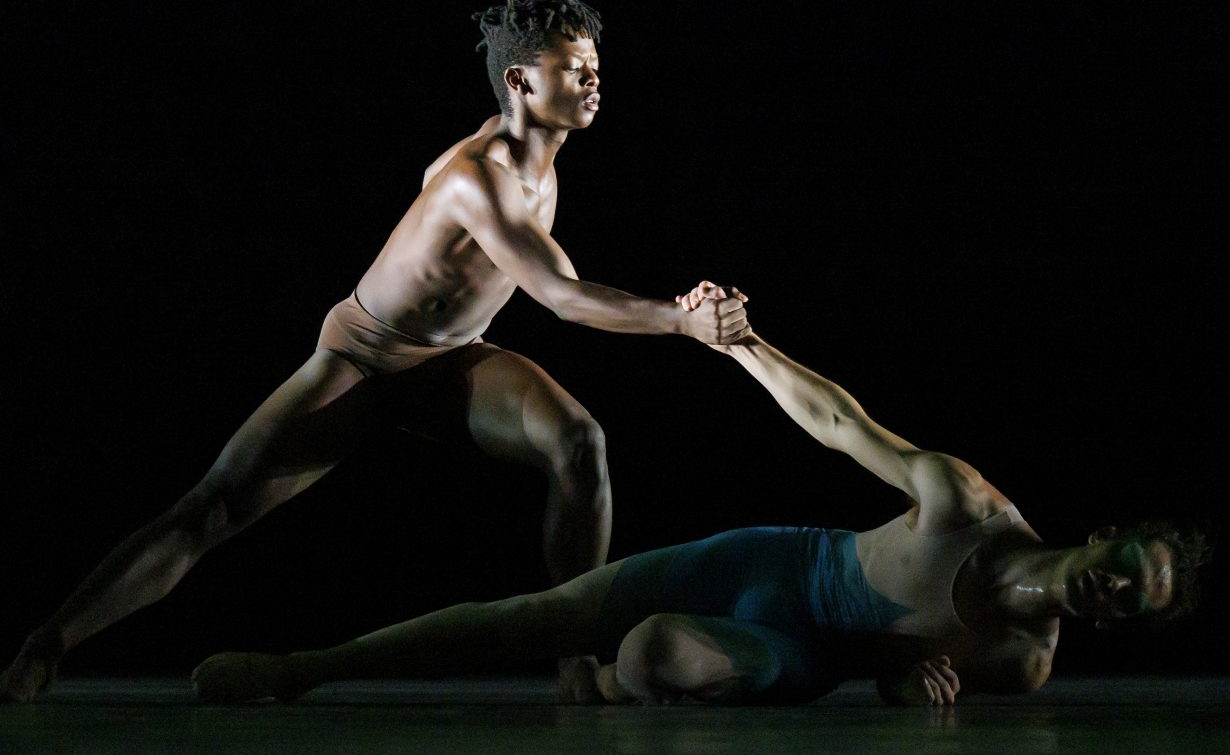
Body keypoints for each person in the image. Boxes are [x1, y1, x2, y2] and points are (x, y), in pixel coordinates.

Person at [0, 0, 751, 704]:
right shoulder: (478, 176)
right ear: (520, 80)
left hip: (452, 360)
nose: (593, 79)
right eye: (572, 67)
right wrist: (681, 320)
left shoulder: (536, 160)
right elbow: (560, 295)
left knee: (579, 440)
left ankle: (574, 657)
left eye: (595, 63)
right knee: (214, 505)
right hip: (362, 359)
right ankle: (48, 641)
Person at [191, 283, 1207, 706]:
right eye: (1124, 573)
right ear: (1104, 537)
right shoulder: (967, 502)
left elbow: (899, 690)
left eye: (1132, 608)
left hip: (801, 653)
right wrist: (744, 344)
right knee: (536, 616)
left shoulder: (1021, 663)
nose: (1109, 597)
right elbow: (840, 421)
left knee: (653, 650)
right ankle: (305, 665)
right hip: (773, 561)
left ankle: (612, 680)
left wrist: (907, 690)